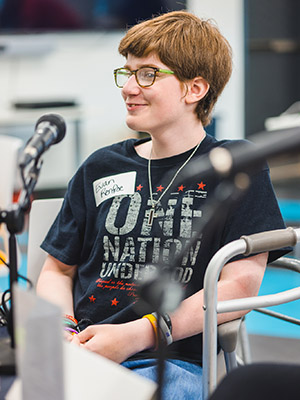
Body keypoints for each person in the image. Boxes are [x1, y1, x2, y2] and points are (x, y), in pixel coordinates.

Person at [36, 10, 288, 399]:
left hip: (170, 358)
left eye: (148, 74)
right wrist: (65, 330)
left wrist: (140, 333)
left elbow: (239, 286)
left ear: (195, 89)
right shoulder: (101, 166)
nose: (129, 87)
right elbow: (57, 268)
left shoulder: (236, 166)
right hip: (78, 348)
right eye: (128, 72)